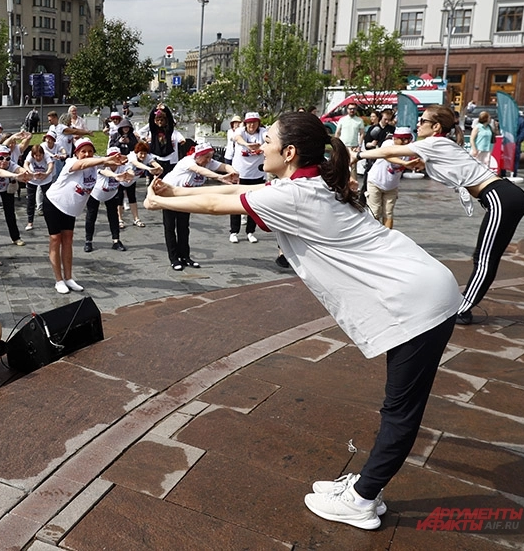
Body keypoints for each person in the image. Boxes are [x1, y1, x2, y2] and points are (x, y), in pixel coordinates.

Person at [144, 111, 463, 531]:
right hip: (419, 288)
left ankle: (363, 498)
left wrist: (161, 201)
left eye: (269, 141)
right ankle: (366, 485)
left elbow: (216, 204)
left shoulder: (296, 195)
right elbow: (238, 190)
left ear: (290, 152)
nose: (261, 147)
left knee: (400, 410)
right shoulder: (307, 184)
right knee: (398, 406)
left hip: (417, 301)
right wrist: (174, 190)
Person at [358, 105, 524, 325]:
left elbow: (388, 152)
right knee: (487, 257)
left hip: (500, 197)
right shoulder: (440, 145)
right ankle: (464, 307)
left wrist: (357, 155)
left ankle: (463, 310)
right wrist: (422, 164)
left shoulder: (434, 143)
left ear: (436, 127)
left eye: (423, 121)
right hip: (505, 196)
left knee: (484, 259)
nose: (418, 124)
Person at [44, 138, 126, 294]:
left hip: (70, 208)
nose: (87, 154)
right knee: (55, 239)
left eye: (90, 151)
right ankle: (58, 280)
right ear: (76, 153)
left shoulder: (95, 165)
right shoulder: (71, 162)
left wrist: (122, 162)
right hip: (54, 203)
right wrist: (106, 159)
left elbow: (115, 163)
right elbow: (82, 164)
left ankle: (68, 278)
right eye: (83, 151)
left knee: (68, 239)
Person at [160, 142, 237, 270]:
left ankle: (185, 257)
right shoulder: (187, 161)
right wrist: (220, 177)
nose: (209, 160)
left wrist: (234, 172)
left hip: (185, 197)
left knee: (184, 227)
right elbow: (198, 170)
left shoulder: (207, 162)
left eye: (211, 157)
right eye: (206, 157)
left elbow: (225, 166)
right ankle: (174, 259)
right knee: (170, 227)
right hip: (169, 194)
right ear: (198, 156)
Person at [83, 147, 135, 253]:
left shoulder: (123, 166)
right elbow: (105, 172)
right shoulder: (102, 165)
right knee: (91, 216)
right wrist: (116, 175)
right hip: (95, 194)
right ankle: (88, 241)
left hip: (111, 194)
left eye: (117, 157)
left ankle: (116, 241)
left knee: (113, 217)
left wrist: (129, 175)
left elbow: (131, 172)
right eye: (113, 157)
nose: (115, 159)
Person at [229, 112, 267, 244]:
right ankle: (234, 231)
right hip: (241, 174)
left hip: (256, 175)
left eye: (254, 122)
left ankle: (250, 231)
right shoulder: (241, 131)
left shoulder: (262, 132)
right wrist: (247, 144)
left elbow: (268, 138)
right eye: (249, 122)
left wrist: (262, 146)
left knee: (254, 204)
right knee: (236, 203)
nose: (252, 125)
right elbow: (237, 137)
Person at [364, 127, 413, 229]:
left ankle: (388, 236)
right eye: (403, 139)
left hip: (392, 185)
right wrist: (404, 163)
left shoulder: (409, 148)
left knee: (388, 213)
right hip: (375, 182)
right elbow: (387, 156)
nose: (406, 142)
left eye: (408, 139)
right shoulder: (388, 144)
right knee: (374, 212)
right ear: (395, 138)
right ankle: (373, 234)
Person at [119, 140, 162, 228]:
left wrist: (159, 168)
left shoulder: (147, 157)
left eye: (144, 153)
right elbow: (137, 164)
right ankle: (119, 220)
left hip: (132, 182)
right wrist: (148, 168)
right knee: (119, 201)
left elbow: (154, 163)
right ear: (136, 152)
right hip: (121, 181)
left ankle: (136, 219)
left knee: (132, 199)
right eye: (141, 153)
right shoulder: (131, 156)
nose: (143, 156)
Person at [23, 143, 54, 231]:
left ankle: (50, 221)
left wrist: (46, 173)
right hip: (33, 179)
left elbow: (51, 165)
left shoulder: (46, 155)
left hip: (45, 179)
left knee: (47, 200)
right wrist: (31, 173)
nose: (38, 157)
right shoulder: (30, 155)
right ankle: (30, 222)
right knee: (31, 201)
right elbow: (25, 164)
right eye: (36, 156)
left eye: (40, 155)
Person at [147, 106, 185, 175]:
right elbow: (151, 119)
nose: (160, 122)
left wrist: (165, 108)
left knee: (167, 177)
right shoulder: (154, 131)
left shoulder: (168, 131)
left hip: (167, 158)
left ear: (165, 121)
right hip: (156, 157)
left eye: (162, 120)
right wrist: (155, 109)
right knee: (156, 178)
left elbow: (170, 120)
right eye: (158, 120)